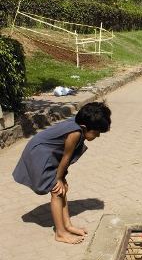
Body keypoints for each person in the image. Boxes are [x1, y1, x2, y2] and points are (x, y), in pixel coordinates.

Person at [13, 102, 111, 244]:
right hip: (39, 153)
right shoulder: (75, 133)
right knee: (57, 191)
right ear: (85, 127)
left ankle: (67, 225)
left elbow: (64, 158)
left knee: (62, 187)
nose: (98, 136)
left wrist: (62, 177)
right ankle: (60, 233)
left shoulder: (79, 123)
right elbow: (66, 157)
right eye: (96, 133)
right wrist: (58, 178)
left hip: (48, 153)